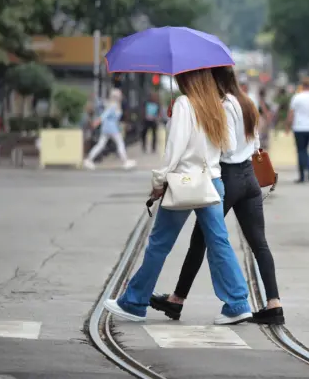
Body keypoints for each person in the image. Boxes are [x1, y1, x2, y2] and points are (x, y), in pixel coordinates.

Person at [104, 68, 253, 325]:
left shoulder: (185, 103)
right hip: (212, 182)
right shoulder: (218, 105)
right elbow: (227, 147)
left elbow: (174, 149)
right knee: (219, 242)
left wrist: (159, 180)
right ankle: (238, 303)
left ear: (186, 78)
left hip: (184, 182)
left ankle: (134, 302)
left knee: (160, 243)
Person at [150, 68, 284, 325]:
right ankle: (274, 303)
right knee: (259, 244)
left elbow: (228, 145)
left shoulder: (224, 105)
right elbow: (254, 144)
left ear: (216, 79)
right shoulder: (247, 102)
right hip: (250, 179)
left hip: (229, 177)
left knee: (201, 238)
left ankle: (177, 299)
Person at [83, 89, 136, 170]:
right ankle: (125, 161)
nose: (121, 96)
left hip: (107, 128)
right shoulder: (113, 105)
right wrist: (96, 122)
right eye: (119, 95)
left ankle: (88, 160)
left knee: (101, 144)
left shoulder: (113, 104)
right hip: (112, 128)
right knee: (120, 143)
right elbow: (105, 115)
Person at [285, 76, 309, 183]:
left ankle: (303, 174)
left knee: (301, 150)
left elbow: (291, 113)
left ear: (302, 85)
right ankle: (308, 168)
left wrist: (287, 125)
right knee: (306, 150)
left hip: (299, 126)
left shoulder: (297, 97)